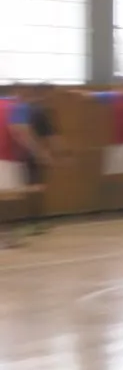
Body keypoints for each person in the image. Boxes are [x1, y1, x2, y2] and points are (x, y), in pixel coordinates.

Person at [73, 77, 123, 214]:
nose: (122, 90)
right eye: (119, 87)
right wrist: (72, 92)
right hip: (118, 142)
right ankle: (109, 205)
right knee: (113, 173)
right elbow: (89, 96)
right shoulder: (111, 97)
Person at [0, 95, 48, 248]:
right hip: (5, 158)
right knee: (8, 198)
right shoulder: (17, 107)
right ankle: (6, 237)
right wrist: (39, 152)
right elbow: (20, 131)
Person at [18, 84, 61, 235]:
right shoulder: (40, 111)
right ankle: (34, 221)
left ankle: (34, 221)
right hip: (34, 154)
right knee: (37, 187)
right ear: (45, 93)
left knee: (33, 186)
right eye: (53, 94)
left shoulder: (25, 108)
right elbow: (51, 136)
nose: (54, 98)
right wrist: (48, 154)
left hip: (23, 153)